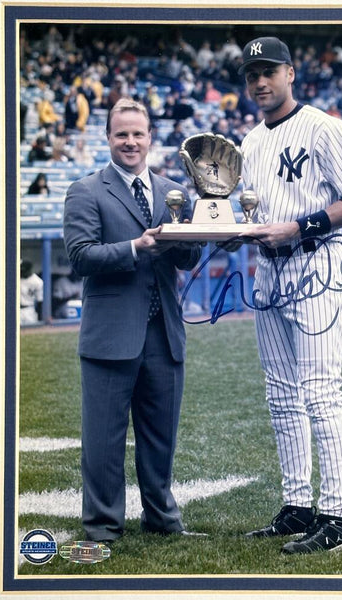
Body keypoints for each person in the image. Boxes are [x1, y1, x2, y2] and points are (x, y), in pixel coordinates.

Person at [234, 37, 342, 554]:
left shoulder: (322, 126)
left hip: (316, 262)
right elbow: (254, 213)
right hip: (267, 271)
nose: (260, 82)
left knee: (319, 392)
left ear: (291, 73)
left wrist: (297, 226)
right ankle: (298, 508)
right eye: (252, 75)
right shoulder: (248, 143)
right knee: (281, 394)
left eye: (269, 71)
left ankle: (335, 518)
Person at [63, 98, 203, 544]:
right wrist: (135, 248)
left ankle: (162, 519)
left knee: (160, 436)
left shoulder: (171, 191)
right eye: (121, 134)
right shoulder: (86, 190)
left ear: (150, 138)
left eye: (137, 134)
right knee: (103, 440)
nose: (130, 141)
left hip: (164, 333)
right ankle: (102, 525)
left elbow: (191, 255)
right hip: (111, 334)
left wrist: (187, 237)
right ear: (108, 138)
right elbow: (80, 257)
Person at [20, 259, 43, 325]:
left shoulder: (37, 282)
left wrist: (40, 317)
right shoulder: (15, 277)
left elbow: (40, 301)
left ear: (30, 269)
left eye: (24, 270)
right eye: (21, 270)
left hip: (29, 310)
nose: (22, 272)